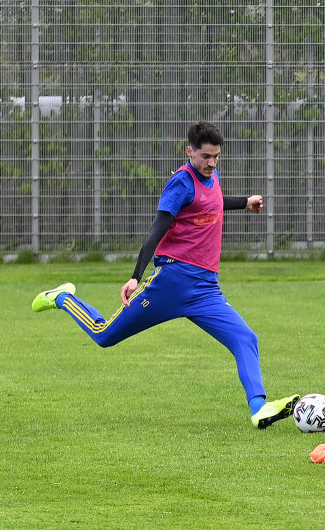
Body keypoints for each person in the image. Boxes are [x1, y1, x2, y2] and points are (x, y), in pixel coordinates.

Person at [31, 121, 299, 429]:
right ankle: (63, 297)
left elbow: (212, 203)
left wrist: (244, 202)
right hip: (171, 282)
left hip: (206, 289)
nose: (212, 163)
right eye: (206, 156)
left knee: (245, 338)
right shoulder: (180, 183)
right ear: (190, 152)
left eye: (216, 157)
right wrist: (135, 276)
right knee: (104, 335)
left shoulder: (211, 176)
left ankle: (259, 408)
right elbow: (156, 230)